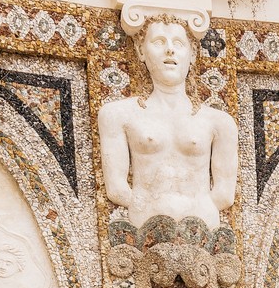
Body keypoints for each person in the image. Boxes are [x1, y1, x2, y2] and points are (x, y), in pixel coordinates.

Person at [98, 16, 238, 229]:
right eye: (159, 42)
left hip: (202, 228)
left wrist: (197, 210)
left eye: (178, 44)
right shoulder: (118, 115)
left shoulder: (219, 122)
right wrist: (148, 209)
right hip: (143, 226)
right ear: (141, 51)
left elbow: (225, 194)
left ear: (192, 54)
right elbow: (116, 187)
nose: (170, 50)